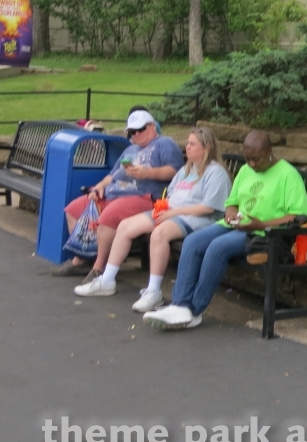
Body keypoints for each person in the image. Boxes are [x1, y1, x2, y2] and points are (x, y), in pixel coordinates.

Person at [143, 130, 307, 331]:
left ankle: (194, 310)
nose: (252, 165)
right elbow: (232, 202)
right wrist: (231, 213)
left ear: (269, 152)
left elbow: (299, 216)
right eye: (248, 159)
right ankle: (180, 304)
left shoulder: (288, 175)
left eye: (256, 159)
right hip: (236, 225)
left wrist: (260, 224)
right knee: (193, 242)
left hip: (263, 233)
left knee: (217, 248)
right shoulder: (246, 170)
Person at [73, 127, 232, 310]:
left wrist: (172, 213)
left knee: (159, 233)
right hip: (171, 212)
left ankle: (153, 291)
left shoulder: (215, 173)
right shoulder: (187, 170)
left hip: (196, 218)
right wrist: (162, 207)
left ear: (207, 147)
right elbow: (171, 194)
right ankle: (107, 280)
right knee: (125, 225)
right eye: (187, 143)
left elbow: (209, 207)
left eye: (192, 144)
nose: (187, 148)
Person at [51, 110, 184, 280]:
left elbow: (174, 171)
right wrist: (98, 187)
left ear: (152, 126)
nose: (136, 134)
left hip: (145, 196)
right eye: (132, 131)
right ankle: (82, 259)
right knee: (74, 209)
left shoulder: (164, 143)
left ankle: (99, 268)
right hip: (114, 192)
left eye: (140, 129)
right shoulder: (130, 149)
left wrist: (146, 173)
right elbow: (112, 175)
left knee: (108, 216)